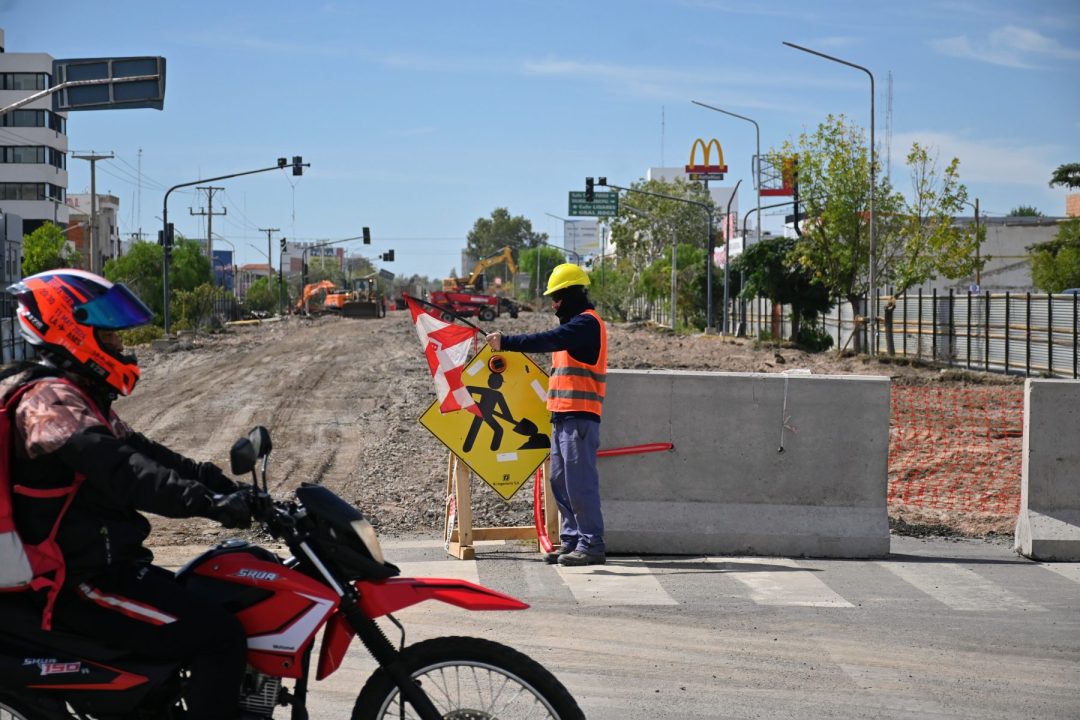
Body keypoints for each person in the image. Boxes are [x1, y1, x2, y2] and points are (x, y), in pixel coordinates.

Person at [1, 269, 254, 720]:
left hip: (110, 568)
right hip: (77, 584)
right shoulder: (48, 403)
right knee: (219, 636)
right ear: (71, 329)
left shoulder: (76, 396)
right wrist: (208, 505)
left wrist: (227, 488)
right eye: (111, 336)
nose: (121, 346)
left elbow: (147, 454)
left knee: (220, 596)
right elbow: (124, 471)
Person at [486, 263, 608, 566]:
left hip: (580, 417)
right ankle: (571, 541)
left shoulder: (586, 325)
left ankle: (591, 544)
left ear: (571, 295)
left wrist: (507, 342)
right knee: (560, 482)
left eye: (557, 298)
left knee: (580, 485)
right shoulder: (575, 327)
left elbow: (549, 338)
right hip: (562, 416)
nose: (553, 304)